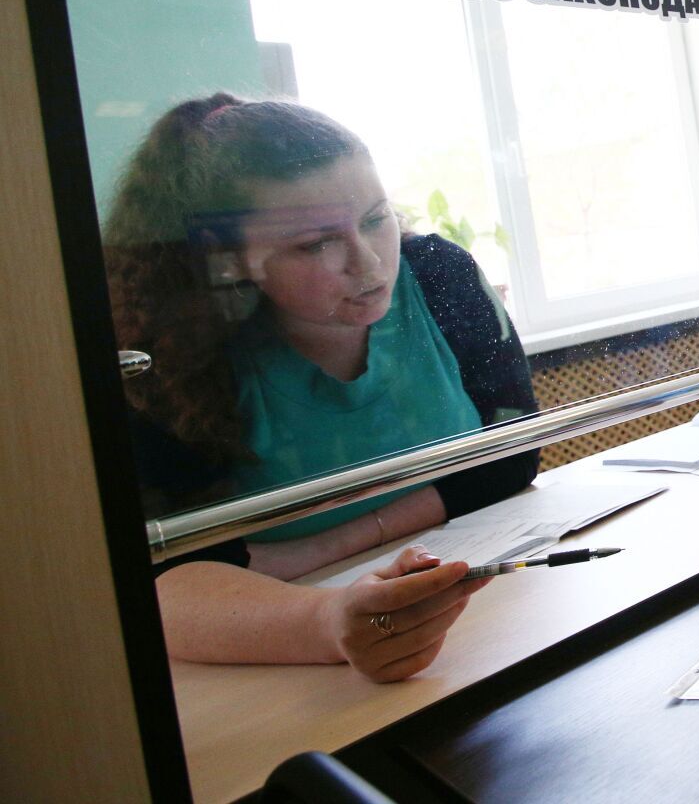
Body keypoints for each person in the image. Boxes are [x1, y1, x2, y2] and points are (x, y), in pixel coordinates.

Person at [104, 94, 538, 682]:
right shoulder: (169, 351)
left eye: (375, 219)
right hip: (273, 667)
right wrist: (332, 618)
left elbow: (510, 459)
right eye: (315, 244)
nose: (369, 266)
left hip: (481, 617)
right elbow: (169, 574)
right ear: (227, 258)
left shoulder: (440, 276)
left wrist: (304, 554)